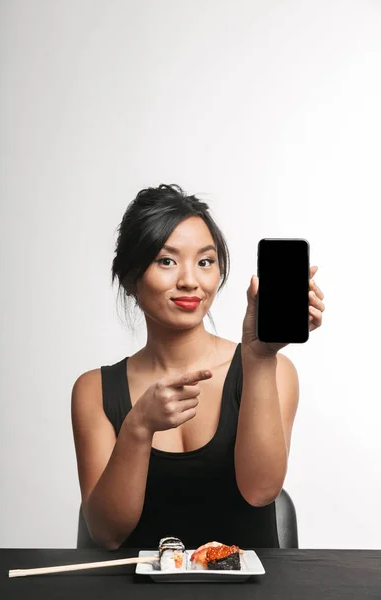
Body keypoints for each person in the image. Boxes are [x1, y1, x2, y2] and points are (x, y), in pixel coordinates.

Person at [71, 183, 325, 550]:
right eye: (166, 261)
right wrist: (138, 427)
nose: (190, 280)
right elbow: (108, 534)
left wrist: (258, 357)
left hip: (250, 591)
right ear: (130, 279)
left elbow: (260, 491)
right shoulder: (93, 390)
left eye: (205, 261)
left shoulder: (274, 368)